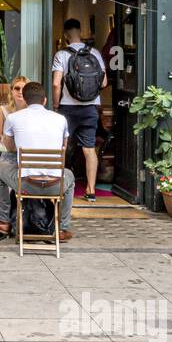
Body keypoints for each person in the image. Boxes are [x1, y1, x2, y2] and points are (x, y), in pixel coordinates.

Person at [0, 82, 74, 241]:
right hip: (55, 185)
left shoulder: (13, 118)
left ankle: (3, 219)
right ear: (44, 100)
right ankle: (63, 228)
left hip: (25, 184)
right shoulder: (61, 119)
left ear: (24, 98)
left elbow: (10, 148)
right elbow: (63, 147)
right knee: (70, 177)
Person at [51, 18, 107, 203]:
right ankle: (91, 191)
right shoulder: (95, 53)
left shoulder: (62, 54)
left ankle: (57, 188)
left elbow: (56, 83)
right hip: (90, 107)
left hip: (67, 107)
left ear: (66, 34)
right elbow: (104, 82)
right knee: (89, 149)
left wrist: (56, 104)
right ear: (80, 30)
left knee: (62, 147)